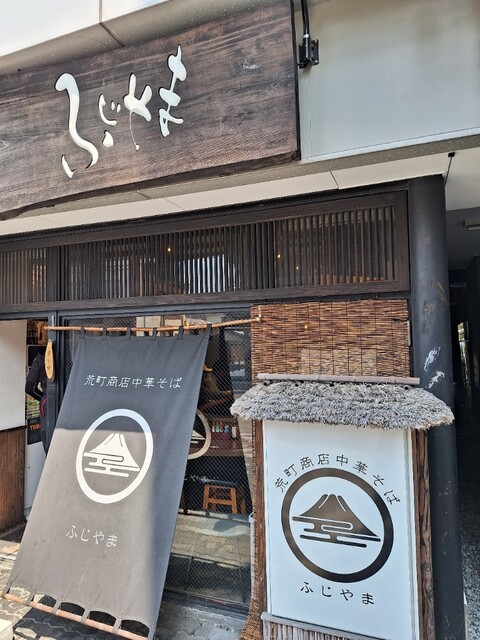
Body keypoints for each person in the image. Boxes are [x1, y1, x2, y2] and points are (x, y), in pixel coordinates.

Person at [25, 352, 49, 453]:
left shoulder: (41, 357)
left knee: (48, 440)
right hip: (68, 402)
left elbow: (30, 388)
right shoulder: (71, 351)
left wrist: (44, 398)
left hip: (47, 403)